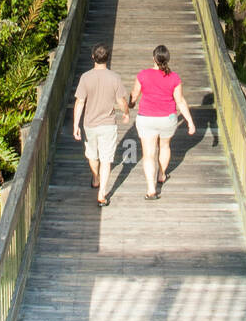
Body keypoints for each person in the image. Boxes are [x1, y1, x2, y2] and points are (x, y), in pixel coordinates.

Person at [130, 45, 195, 200]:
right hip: (168, 119)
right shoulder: (174, 78)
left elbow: (134, 95)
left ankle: (151, 189)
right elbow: (180, 101)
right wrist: (190, 122)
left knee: (148, 154)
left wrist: (130, 105)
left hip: (146, 119)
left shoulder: (143, 75)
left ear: (154, 58)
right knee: (164, 146)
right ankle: (161, 174)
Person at [73, 43, 130, 206]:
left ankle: (96, 178)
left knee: (92, 154)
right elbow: (121, 101)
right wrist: (126, 113)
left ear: (93, 57)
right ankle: (102, 193)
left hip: (90, 124)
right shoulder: (114, 78)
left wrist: (75, 125)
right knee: (106, 159)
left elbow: (80, 102)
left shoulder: (86, 77)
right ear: (108, 57)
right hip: (108, 124)